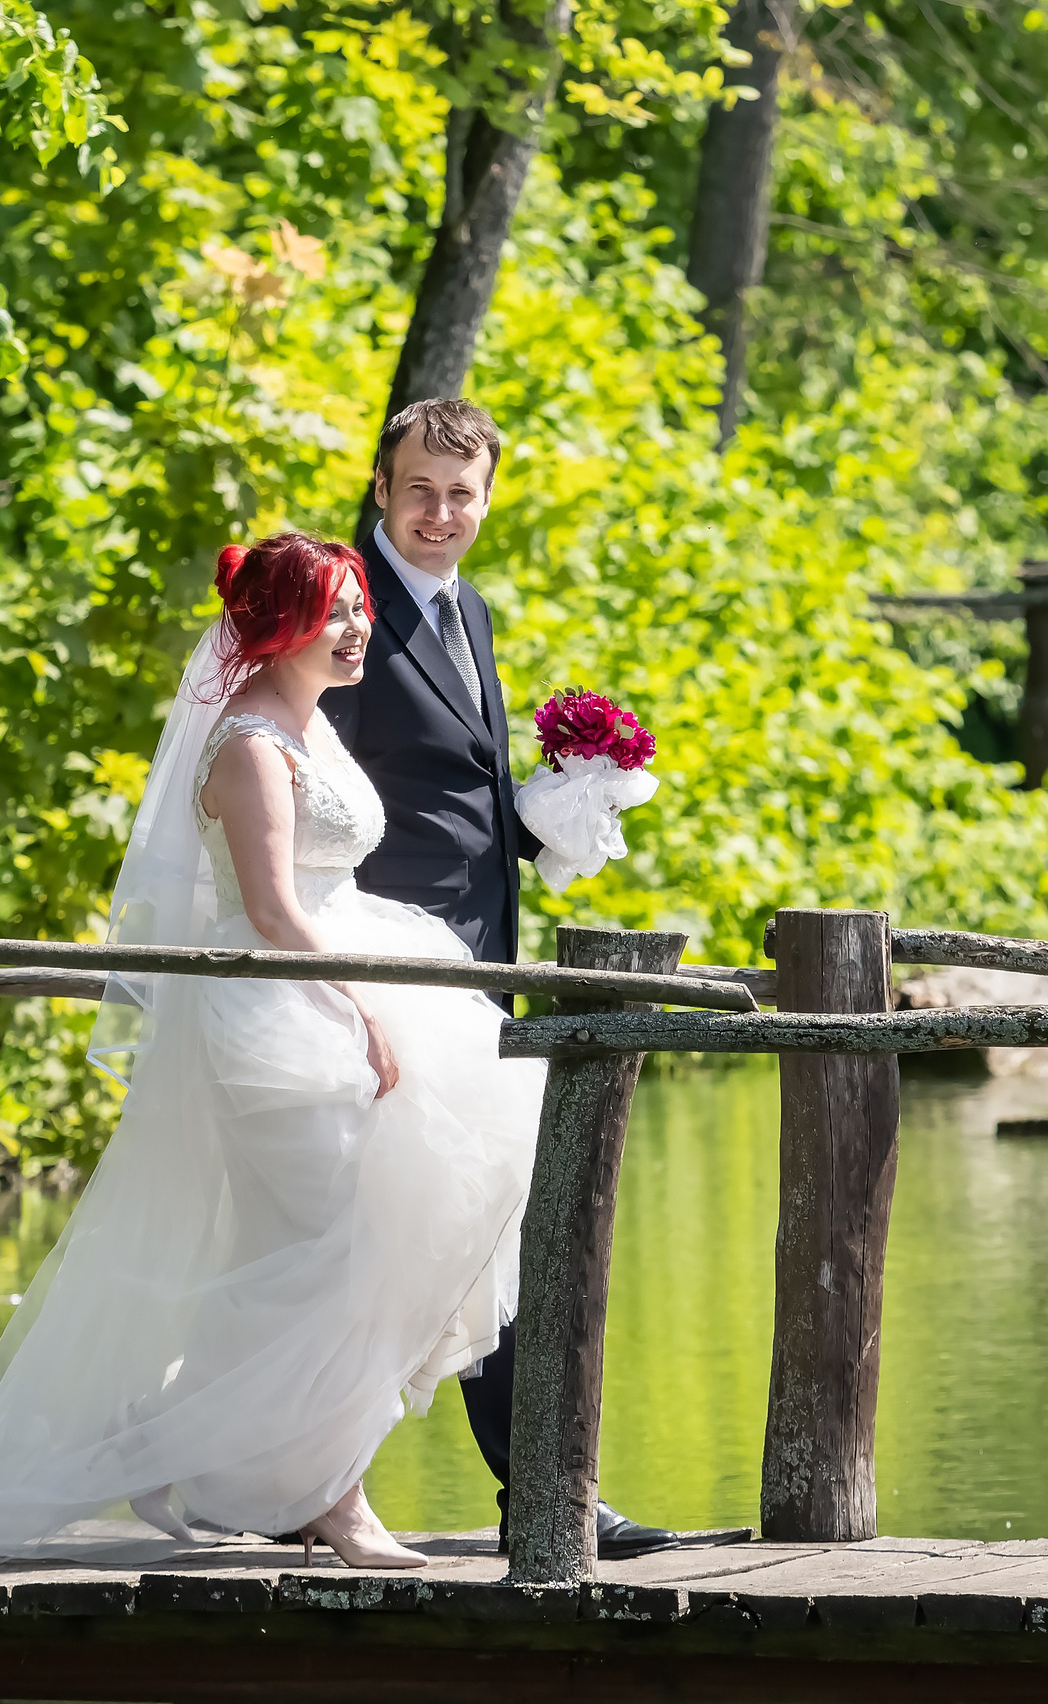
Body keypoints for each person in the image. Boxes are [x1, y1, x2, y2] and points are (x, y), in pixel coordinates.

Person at [0, 532, 545, 1569]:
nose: (358, 628)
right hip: (278, 1015)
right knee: (332, 1252)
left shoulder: (312, 724)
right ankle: (318, 1494)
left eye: (359, 609)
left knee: (348, 1243)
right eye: (335, 614)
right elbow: (274, 911)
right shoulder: (248, 745)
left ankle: (169, 1431)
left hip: (340, 979)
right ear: (281, 627)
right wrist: (363, 1008)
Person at [320, 398, 681, 1561]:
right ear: (381, 490)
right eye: (419, 491)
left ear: (486, 499)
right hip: (385, 969)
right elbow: (306, 783)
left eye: (461, 494)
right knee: (391, 1226)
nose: (440, 513)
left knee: (485, 1219)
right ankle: (329, 1481)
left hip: (477, 968)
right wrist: (338, 972)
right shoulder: (342, 610)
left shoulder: (465, 607)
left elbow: (453, 803)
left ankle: (539, 1490)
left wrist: (555, 807)